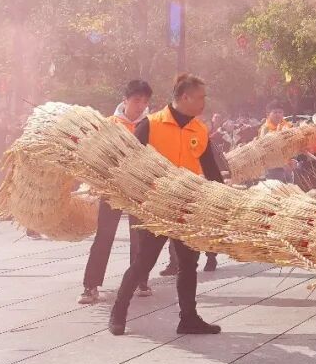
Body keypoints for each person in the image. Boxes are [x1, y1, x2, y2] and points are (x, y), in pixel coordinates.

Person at [108, 74, 223, 336]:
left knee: (188, 263)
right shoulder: (151, 125)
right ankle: (119, 311)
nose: (204, 102)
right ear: (185, 97)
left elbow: (211, 170)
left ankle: (188, 319)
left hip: (186, 207)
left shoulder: (199, 129)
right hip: (156, 208)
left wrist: (222, 201)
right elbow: (129, 164)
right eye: (200, 97)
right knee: (144, 262)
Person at [79, 80, 154, 305]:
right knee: (104, 234)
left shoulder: (151, 125)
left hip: (139, 187)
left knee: (140, 236)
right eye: (136, 100)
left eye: (145, 101)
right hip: (112, 187)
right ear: (125, 100)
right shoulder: (109, 124)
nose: (141, 106)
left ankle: (140, 280)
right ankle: (90, 285)